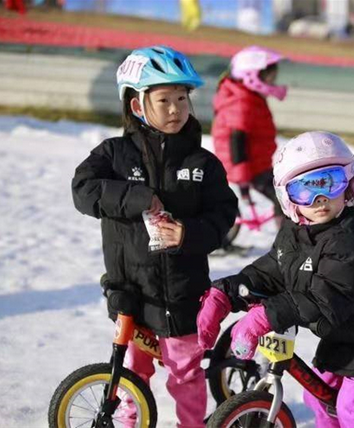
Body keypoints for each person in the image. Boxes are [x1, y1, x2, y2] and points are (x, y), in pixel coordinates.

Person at [197, 131, 354, 428]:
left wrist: (267, 315)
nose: (320, 200)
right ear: (287, 198)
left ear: (350, 183)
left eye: (330, 183)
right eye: (305, 190)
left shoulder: (352, 240)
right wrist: (227, 292)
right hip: (350, 336)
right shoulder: (295, 233)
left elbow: (326, 299)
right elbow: (272, 271)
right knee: (318, 395)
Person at [72, 45, 238, 428]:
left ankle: (192, 425)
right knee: (132, 373)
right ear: (136, 106)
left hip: (183, 295)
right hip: (133, 292)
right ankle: (130, 422)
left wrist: (188, 233)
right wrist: (137, 197)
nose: (176, 108)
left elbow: (223, 214)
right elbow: (83, 190)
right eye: (163, 99)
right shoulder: (113, 155)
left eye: (182, 98)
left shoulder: (202, 163)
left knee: (186, 374)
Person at [212, 45, 288, 239]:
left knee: (284, 195)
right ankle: (287, 241)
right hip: (248, 166)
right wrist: (243, 176)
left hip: (256, 163)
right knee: (283, 198)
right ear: (252, 76)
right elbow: (236, 140)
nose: (273, 82)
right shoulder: (241, 101)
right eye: (269, 77)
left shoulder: (248, 96)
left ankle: (287, 237)